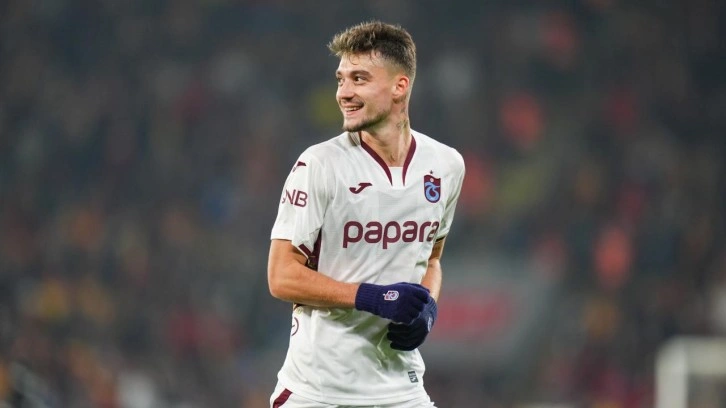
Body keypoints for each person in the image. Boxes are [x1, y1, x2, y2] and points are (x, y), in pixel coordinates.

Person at [267, 20, 465, 408]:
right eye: (341, 80)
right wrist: (370, 297)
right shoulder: (319, 165)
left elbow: (431, 258)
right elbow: (281, 275)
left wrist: (427, 306)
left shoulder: (446, 165)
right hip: (318, 391)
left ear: (399, 86)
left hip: (401, 387)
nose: (344, 93)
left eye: (359, 79)